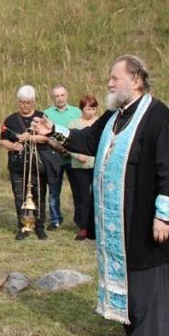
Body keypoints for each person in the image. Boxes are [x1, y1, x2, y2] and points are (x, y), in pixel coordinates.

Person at [33, 55, 169, 336]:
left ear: (136, 80)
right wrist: (54, 132)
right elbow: (86, 140)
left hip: (147, 215)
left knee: (151, 277)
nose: (109, 82)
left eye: (115, 77)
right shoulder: (116, 115)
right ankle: (137, 328)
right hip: (122, 219)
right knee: (133, 276)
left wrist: (163, 215)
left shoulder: (159, 117)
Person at [0, 86, 60, 240]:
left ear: (33, 102)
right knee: (20, 197)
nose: (24, 105)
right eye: (21, 102)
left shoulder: (41, 116)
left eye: (27, 102)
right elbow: (3, 140)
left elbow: (47, 138)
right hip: (18, 165)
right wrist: (13, 145)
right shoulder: (10, 120)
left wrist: (30, 138)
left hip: (38, 164)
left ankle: (39, 226)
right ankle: (24, 226)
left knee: (39, 195)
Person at [43, 85, 81, 230]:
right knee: (53, 191)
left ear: (67, 95)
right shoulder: (46, 113)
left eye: (62, 95)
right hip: (54, 157)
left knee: (77, 191)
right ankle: (55, 220)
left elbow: (79, 133)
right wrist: (58, 148)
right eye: (56, 96)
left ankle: (80, 221)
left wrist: (69, 149)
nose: (59, 98)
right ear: (53, 97)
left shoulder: (76, 112)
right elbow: (45, 135)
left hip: (73, 157)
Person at [68, 95, 99, 241]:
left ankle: (97, 225)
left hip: (96, 165)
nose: (91, 111)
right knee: (82, 197)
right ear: (82, 109)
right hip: (79, 165)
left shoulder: (100, 123)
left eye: (93, 108)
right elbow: (66, 143)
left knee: (97, 195)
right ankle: (83, 226)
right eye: (88, 108)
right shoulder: (74, 123)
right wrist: (75, 155)